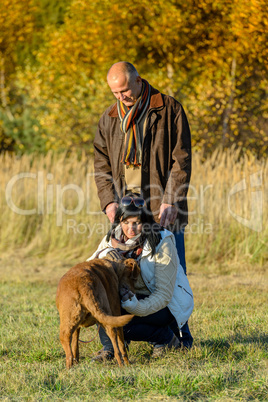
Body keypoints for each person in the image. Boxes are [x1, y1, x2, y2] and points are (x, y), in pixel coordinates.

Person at [93, 61, 192, 347]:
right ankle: (113, 345)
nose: (120, 97)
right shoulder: (110, 117)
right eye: (115, 92)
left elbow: (181, 159)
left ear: (138, 81)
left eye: (124, 90)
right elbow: (100, 164)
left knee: (172, 272)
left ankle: (179, 336)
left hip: (162, 205)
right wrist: (109, 202)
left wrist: (172, 200)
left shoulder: (169, 109)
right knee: (120, 272)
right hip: (124, 209)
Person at [87, 195, 194, 361]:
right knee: (103, 307)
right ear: (118, 221)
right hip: (129, 298)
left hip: (165, 305)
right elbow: (89, 267)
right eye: (125, 222)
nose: (130, 229)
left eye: (136, 222)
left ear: (146, 220)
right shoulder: (111, 239)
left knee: (123, 322)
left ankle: (165, 339)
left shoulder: (162, 241)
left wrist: (135, 307)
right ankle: (109, 349)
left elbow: (164, 295)